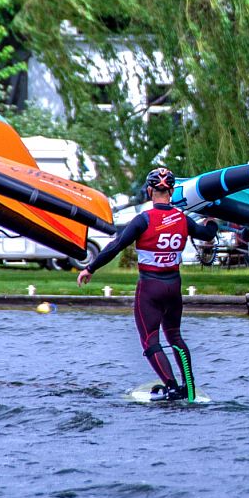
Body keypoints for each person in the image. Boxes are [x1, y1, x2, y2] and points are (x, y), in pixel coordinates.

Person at [77, 166, 218, 402]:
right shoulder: (182, 219)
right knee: (175, 336)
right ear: (171, 191)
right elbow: (206, 234)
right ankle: (189, 387)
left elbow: (115, 246)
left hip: (150, 288)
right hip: (173, 287)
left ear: (150, 191)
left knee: (150, 340)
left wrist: (90, 268)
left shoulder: (143, 220)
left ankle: (171, 387)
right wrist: (212, 221)